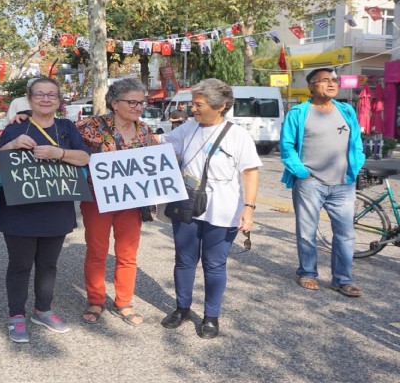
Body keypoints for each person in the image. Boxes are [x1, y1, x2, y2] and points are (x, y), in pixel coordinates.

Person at [159, 78, 261, 339]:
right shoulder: (187, 129)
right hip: (187, 204)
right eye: (193, 104)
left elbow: (250, 173)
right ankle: (182, 309)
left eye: (198, 104)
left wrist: (248, 209)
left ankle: (211, 316)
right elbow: (162, 145)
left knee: (214, 265)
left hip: (224, 208)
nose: (192, 109)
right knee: (184, 260)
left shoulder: (238, 135)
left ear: (221, 106)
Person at [0, 77, 91, 343]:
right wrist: (11, 145)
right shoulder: (17, 127)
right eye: (40, 94)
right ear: (29, 98)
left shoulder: (66, 127)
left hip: (56, 208)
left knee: (48, 265)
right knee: (20, 265)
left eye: (52, 95)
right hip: (18, 211)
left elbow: (85, 157)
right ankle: (16, 316)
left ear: (59, 100)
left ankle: (43, 310)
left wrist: (58, 153)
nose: (46, 99)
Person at [75, 78, 157, 326]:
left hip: (132, 203)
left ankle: (124, 302)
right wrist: (22, 117)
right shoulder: (88, 127)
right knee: (97, 251)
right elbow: (60, 137)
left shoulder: (145, 131)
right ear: (114, 103)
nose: (138, 107)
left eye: (141, 102)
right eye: (132, 102)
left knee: (128, 254)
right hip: (97, 201)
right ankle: (96, 300)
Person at [280, 68, 365, 297]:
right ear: (311, 86)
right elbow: (287, 147)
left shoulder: (346, 110)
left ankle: (342, 280)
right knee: (307, 231)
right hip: (310, 183)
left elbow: (356, 141)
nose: (331, 84)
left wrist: (354, 169)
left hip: (343, 184)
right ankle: (307, 272)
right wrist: (302, 173)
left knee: (346, 233)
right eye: (325, 80)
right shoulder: (298, 113)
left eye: (334, 80)